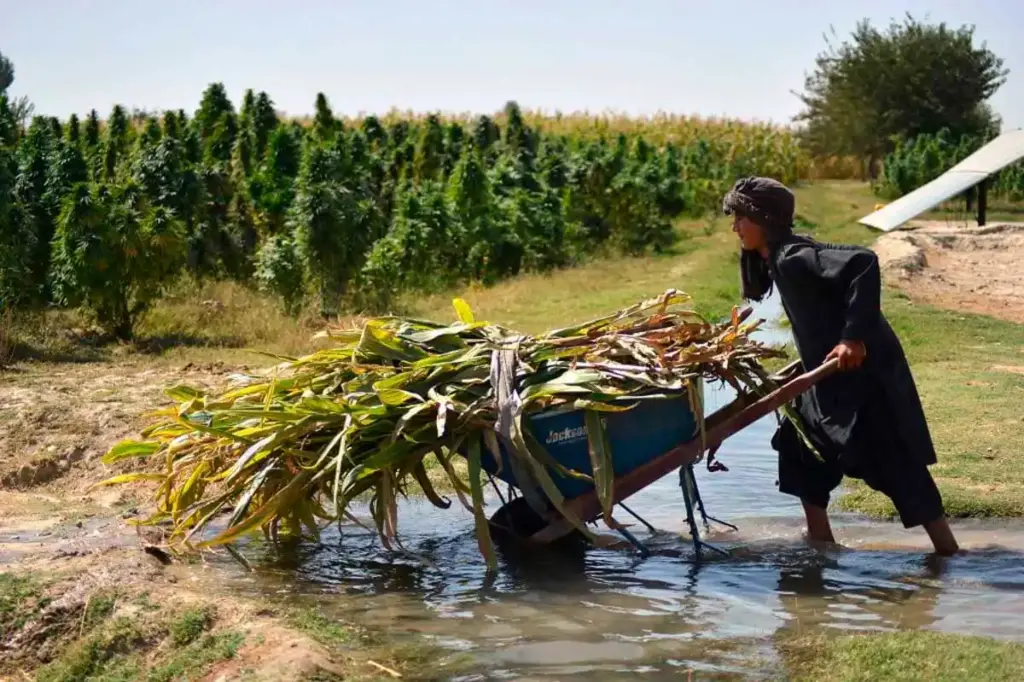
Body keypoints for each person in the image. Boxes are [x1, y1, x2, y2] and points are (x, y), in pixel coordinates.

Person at [722, 176, 959, 556]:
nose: (735, 227)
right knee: (799, 444)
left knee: (896, 463)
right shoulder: (777, 261)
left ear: (762, 218)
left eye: (740, 219)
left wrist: (852, 338)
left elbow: (863, 262)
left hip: (866, 379)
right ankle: (820, 540)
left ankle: (948, 552)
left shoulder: (793, 256)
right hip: (834, 378)